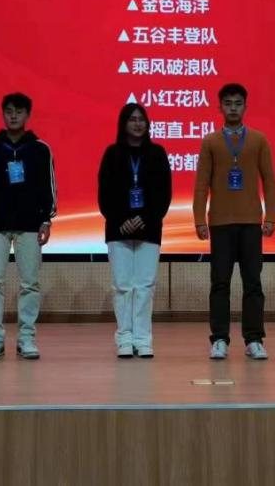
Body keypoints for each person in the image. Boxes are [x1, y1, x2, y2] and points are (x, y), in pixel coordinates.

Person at [193, 83, 275, 360]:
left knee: (253, 282)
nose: (233, 108)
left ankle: (254, 339)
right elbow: (201, 184)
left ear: (245, 106)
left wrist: (270, 217)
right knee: (220, 283)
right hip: (219, 223)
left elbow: (270, 182)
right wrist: (199, 220)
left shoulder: (259, 140)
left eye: (238, 103)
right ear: (219, 107)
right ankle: (219, 338)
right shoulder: (210, 141)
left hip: (251, 222)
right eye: (228, 103)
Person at [0, 93, 56, 360]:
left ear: (28, 115)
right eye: (8, 111)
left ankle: (26, 338)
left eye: (19, 111)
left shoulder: (40, 149)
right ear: (3, 114)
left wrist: (46, 219)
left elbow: (48, 186)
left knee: (30, 283)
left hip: (30, 224)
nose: (13, 116)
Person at [97, 103, 173, 359]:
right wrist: (122, 220)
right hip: (118, 229)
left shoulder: (157, 153)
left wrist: (144, 219)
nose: (138, 124)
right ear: (123, 124)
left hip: (149, 229)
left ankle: (143, 338)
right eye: (132, 119)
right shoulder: (112, 154)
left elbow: (164, 195)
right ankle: (124, 338)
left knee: (145, 286)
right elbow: (104, 195)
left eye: (142, 119)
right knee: (122, 286)